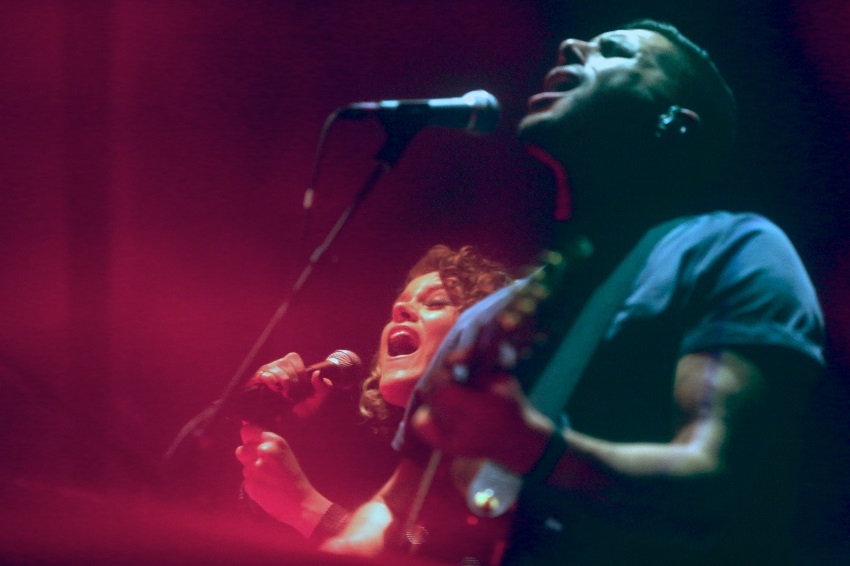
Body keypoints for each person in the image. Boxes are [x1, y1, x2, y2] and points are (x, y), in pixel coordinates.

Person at [324, 19, 825, 565]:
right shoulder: (486, 321)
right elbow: (397, 510)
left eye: (613, 52)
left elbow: (716, 486)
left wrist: (531, 446)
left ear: (676, 126)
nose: (571, 46)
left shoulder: (731, 250)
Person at [234, 245, 512, 546]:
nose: (398, 311)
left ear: (484, 334)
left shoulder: (502, 441)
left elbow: (445, 554)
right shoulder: (415, 456)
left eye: (435, 302)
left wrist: (308, 508)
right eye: (398, 305)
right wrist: (276, 431)